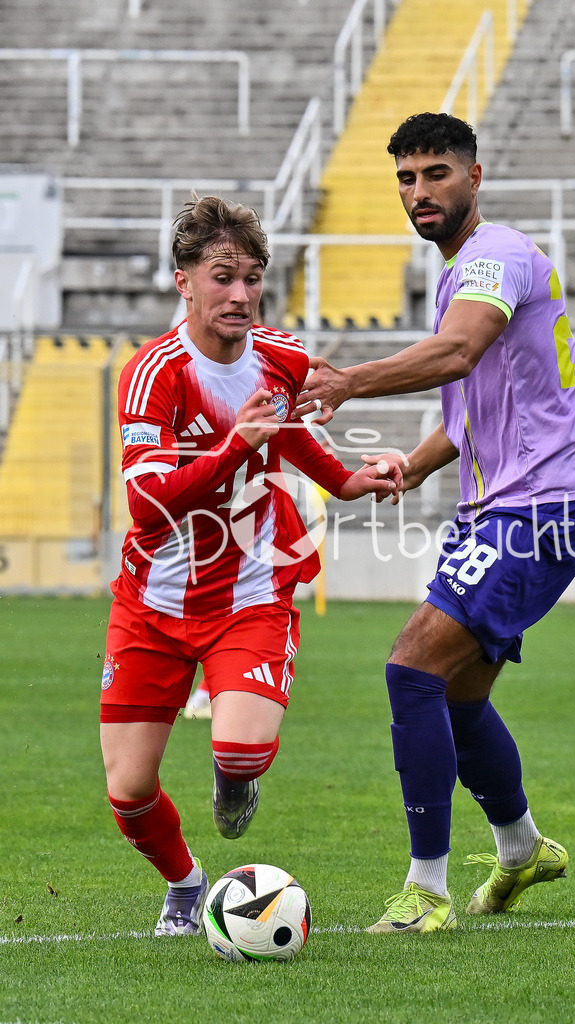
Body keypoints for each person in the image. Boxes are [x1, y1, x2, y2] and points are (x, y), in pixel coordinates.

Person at [294, 112, 575, 933]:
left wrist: (348, 382)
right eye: (406, 177)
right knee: (458, 698)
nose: (420, 191)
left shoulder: (494, 253)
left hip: (540, 506)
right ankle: (521, 850)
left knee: (411, 667)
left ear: (475, 176)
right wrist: (415, 461)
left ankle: (425, 890)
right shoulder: (461, 270)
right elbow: (474, 405)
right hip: (500, 505)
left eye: (437, 173)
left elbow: (460, 353)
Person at [99, 194, 401, 937]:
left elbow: (287, 430)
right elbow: (146, 506)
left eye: (253, 278)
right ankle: (185, 882)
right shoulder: (153, 375)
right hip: (154, 601)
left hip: (252, 590)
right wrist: (236, 444)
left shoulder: (281, 356)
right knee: (130, 792)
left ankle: (233, 783)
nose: (239, 294)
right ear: (185, 281)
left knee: (240, 750)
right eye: (222, 276)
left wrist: (345, 480)